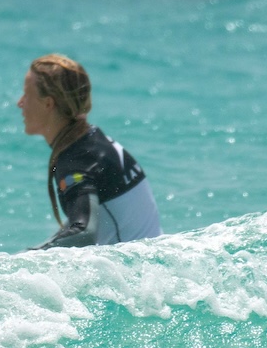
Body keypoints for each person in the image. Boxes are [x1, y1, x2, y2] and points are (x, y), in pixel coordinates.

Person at [18, 53, 162, 249]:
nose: (20, 103)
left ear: (48, 104)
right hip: (152, 262)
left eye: (27, 95)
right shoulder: (93, 143)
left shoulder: (79, 160)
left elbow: (84, 232)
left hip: (137, 275)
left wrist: (29, 259)